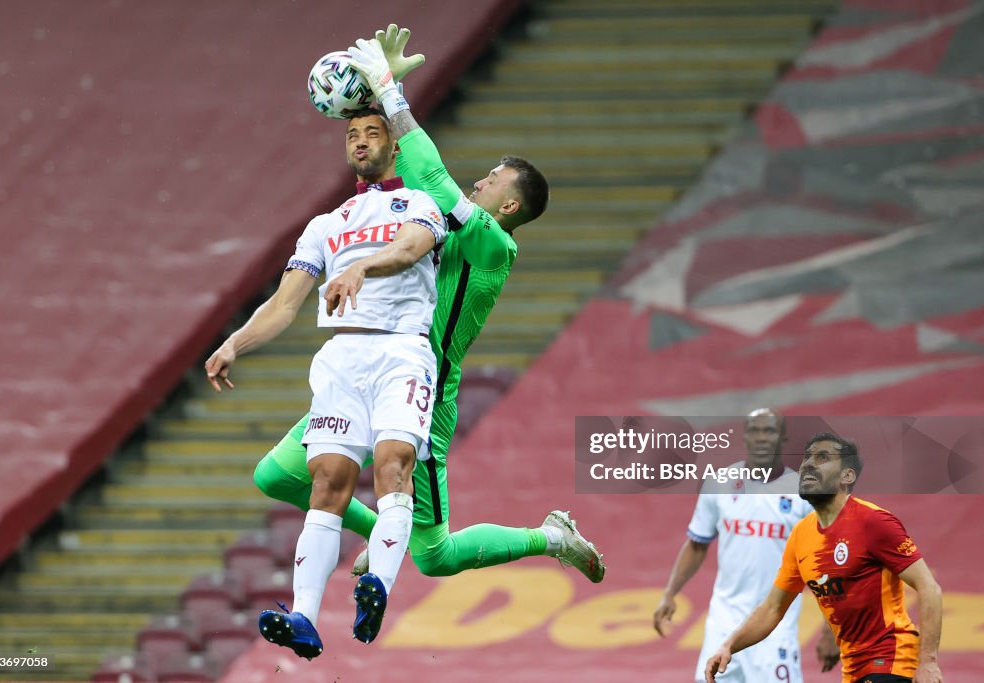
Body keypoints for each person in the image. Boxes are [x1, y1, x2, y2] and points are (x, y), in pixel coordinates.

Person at [250, 24, 604, 653]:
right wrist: (377, 102)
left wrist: (395, 95)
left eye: (495, 178)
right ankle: (374, 532)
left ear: (511, 206)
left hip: (423, 384)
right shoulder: (442, 216)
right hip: (367, 363)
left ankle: (551, 537)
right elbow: (404, 165)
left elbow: (434, 178)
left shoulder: (495, 247)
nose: (482, 180)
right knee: (277, 475)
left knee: (434, 557)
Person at [205, 105, 449, 659]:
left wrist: (363, 267)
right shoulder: (325, 225)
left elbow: (411, 248)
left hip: (400, 350)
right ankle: (305, 618)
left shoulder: (419, 202)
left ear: (394, 145)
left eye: (372, 132)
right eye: (352, 134)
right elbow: (286, 302)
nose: (361, 141)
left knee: (392, 466)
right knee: (327, 484)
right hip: (341, 357)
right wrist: (234, 343)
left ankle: (378, 587)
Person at [705, 432, 944, 683]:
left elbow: (929, 587)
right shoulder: (801, 535)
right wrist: (728, 646)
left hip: (890, 658)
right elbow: (772, 609)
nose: (808, 464)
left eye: (822, 457)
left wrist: (928, 662)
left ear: (846, 476)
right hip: (852, 669)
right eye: (806, 458)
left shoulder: (873, 522)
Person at [653, 409, 838, 682]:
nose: (762, 438)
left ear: (783, 437)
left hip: (775, 627)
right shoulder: (719, 483)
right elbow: (697, 545)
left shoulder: (803, 494)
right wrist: (670, 593)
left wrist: (830, 630)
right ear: (745, 436)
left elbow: (825, 564)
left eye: (770, 431)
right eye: (755, 431)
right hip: (723, 625)